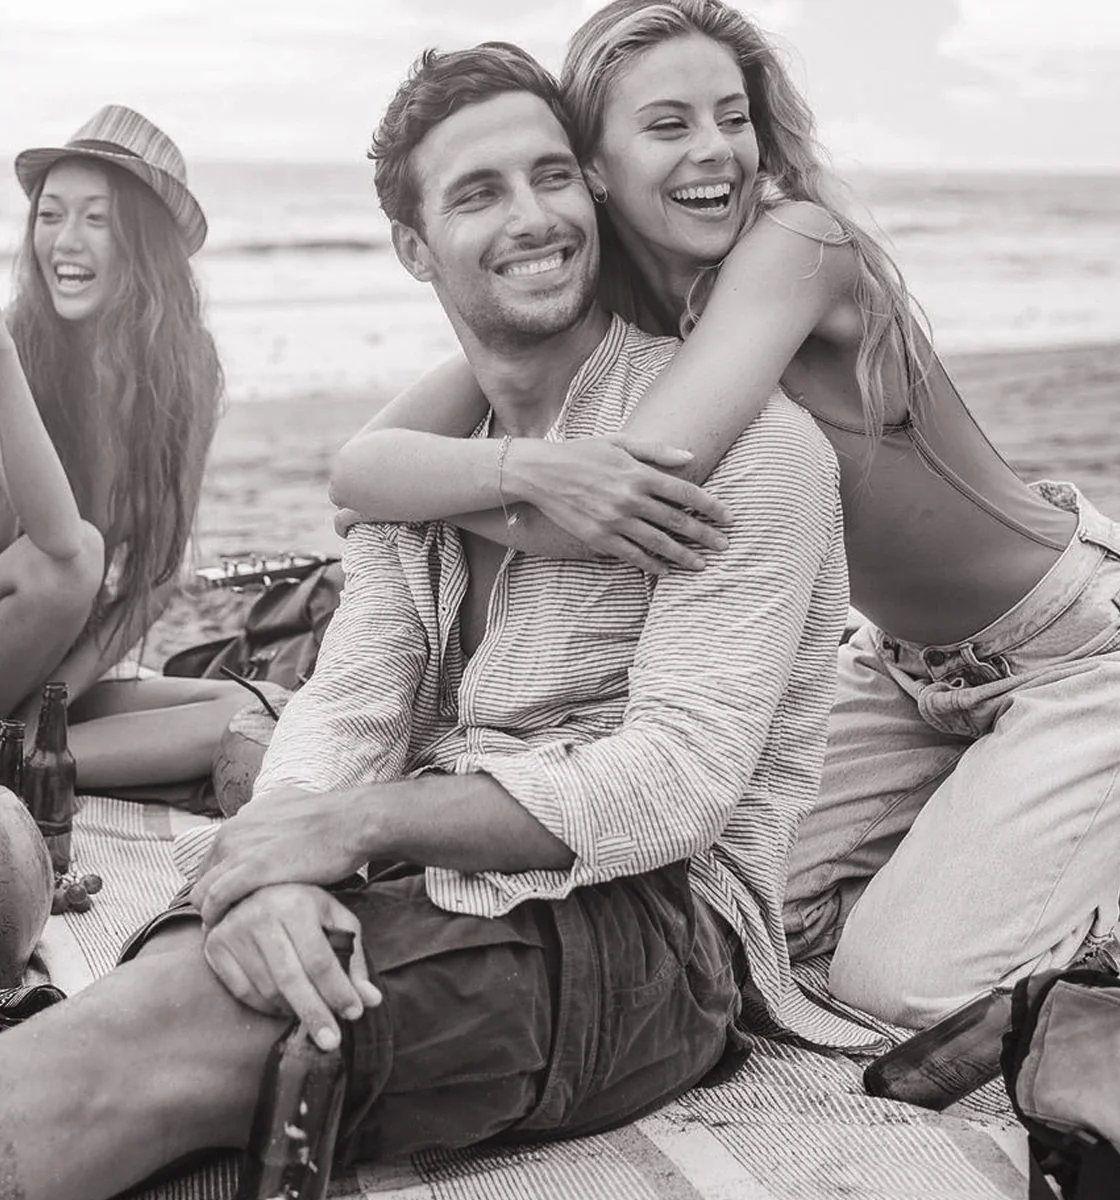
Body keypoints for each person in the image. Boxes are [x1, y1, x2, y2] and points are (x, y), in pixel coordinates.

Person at [0, 44, 849, 1199]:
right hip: (413, 864)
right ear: (413, 247)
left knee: (140, 1046)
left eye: (551, 176)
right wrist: (277, 862)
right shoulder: (434, 473)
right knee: (162, 992)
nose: (533, 217)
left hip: (654, 925)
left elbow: (674, 785)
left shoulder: (750, 453)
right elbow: (349, 702)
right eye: (478, 192)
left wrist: (343, 827)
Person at [329, 0, 1120, 1028]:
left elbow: (610, 503)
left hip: (1075, 650)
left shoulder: (797, 244)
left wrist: (481, 487)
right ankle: (1007, 832)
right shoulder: (616, 291)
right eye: (668, 125)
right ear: (594, 166)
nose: (715, 149)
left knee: (900, 987)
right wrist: (524, 468)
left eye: (732, 117)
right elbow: (359, 469)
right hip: (901, 670)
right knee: (738, 908)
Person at [2, 105, 248, 794]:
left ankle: (17, 761)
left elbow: (157, 574)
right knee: (71, 561)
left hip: (37, 673)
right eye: (50, 215)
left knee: (250, 712)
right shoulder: (14, 355)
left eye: (96, 219)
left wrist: (52, 704)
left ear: (144, 241)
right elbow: (57, 551)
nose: (64, 241)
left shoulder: (185, 370)